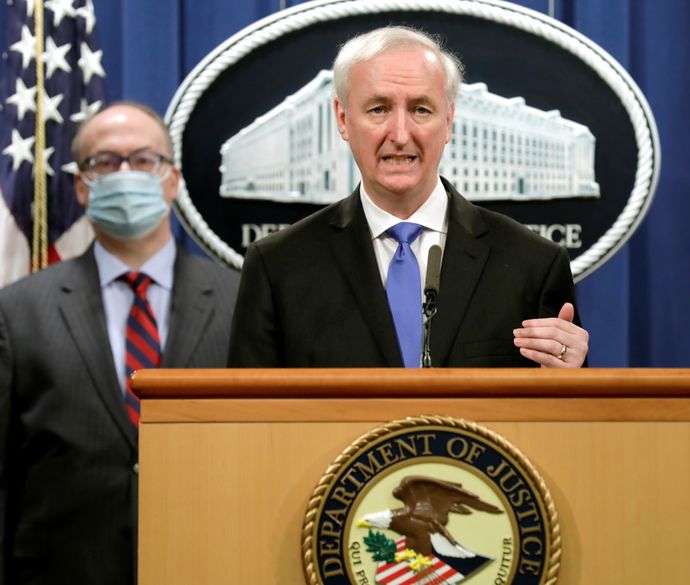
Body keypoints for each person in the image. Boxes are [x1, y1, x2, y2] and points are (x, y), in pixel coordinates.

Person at [228, 26, 589, 368]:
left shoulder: (534, 265)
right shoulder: (277, 267)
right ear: (342, 118)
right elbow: (249, 419)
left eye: (420, 109)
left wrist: (572, 383)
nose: (400, 134)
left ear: (448, 121)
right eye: (379, 109)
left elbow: (563, 421)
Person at [0, 101, 239, 585]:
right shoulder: (18, 310)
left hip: (208, 566)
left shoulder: (241, 301)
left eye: (144, 159)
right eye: (104, 162)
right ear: (81, 187)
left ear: (171, 180)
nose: (125, 173)